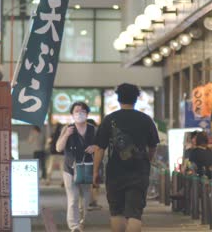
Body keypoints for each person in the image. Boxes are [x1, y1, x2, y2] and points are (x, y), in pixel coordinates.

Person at [93, 83, 159, 232]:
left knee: (117, 213)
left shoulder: (109, 119)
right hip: (139, 172)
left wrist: (95, 171)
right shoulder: (146, 119)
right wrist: (148, 160)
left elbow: (99, 148)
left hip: (115, 173)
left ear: (118, 99)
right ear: (136, 99)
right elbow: (153, 146)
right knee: (135, 214)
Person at [56, 102, 97, 232]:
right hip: (70, 168)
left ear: (87, 113)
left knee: (85, 199)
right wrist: (66, 134)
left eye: (82, 111)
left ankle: (82, 222)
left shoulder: (93, 129)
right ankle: (74, 226)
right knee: (73, 198)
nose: (79, 113)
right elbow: (58, 148)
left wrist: (95, 147)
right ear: (72, 114)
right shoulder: (67, 128)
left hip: (86, 167)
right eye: (76, 111)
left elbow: (102, 146)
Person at [86, 118, 102, 211]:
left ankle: (88, 202)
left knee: (88, 183)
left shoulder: (84, 135)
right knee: (95, 183)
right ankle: (93, 202)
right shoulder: (97, 135)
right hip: (96, 161)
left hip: (85, 163)